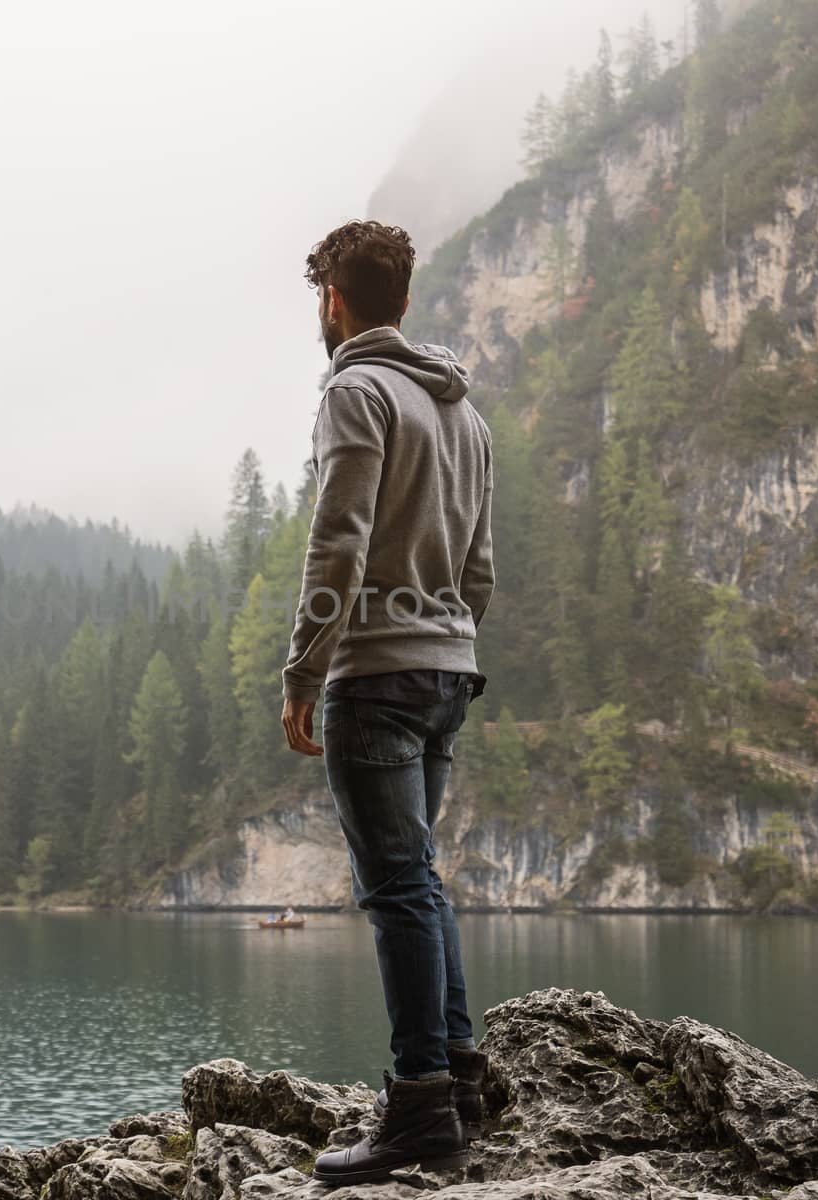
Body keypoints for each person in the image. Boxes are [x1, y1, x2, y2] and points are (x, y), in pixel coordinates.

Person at [279, 219, 494, 1186]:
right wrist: (448, 635)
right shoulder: (465, 415)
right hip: (449, 670)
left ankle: (418, 1109)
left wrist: (305, 671)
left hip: (375, 678)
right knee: (421, 877)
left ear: (335, 299)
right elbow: (480, 569)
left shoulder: (354, 392)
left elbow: (339, 543)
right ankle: (462, 1075)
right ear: (401, 295)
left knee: (397, 886)